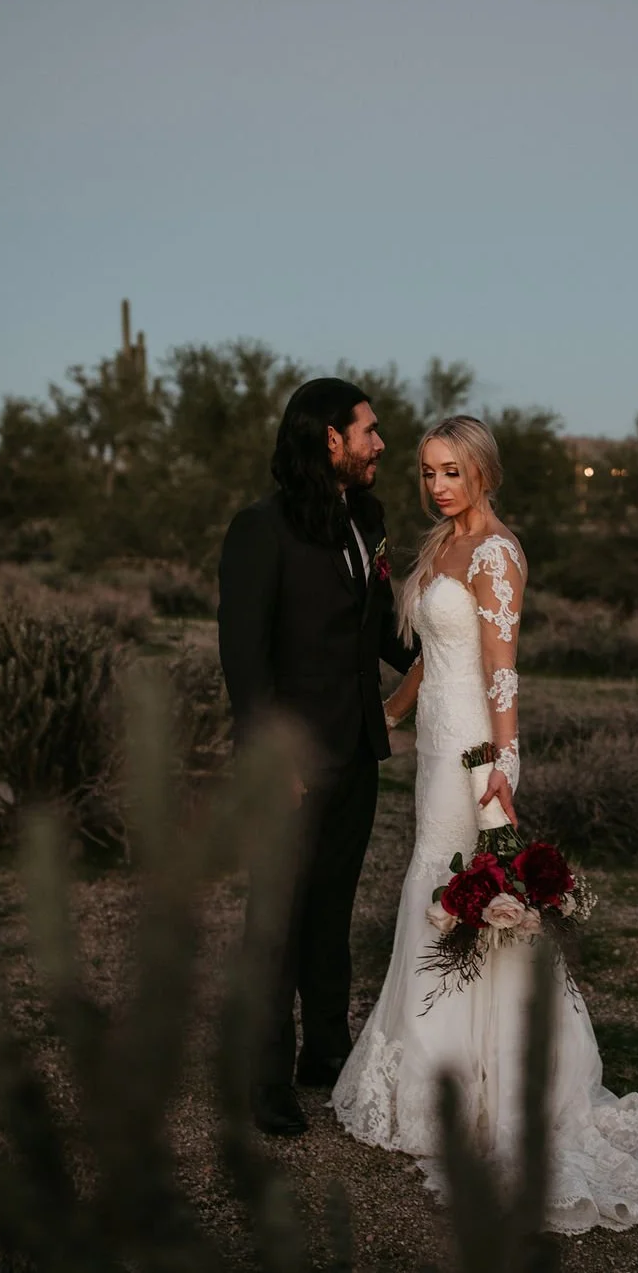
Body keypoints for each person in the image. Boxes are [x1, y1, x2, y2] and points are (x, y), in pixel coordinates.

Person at [330, 415, 638, 1233]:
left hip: (475, 751)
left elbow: (501, 669)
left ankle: (487, 1083)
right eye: (428, 471)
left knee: (471, 892)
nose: (437, 486)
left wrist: (504, 766)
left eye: (453, 471)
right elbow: (431, 655)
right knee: (433, 877)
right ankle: (429, 1070)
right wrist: (381, 719)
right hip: (432, 745)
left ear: (485, 473)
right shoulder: (438, 547)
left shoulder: (498, 553)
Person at [217, 377, 419, 1137]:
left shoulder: (368, 520)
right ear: (329, 439)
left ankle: (325, 1056)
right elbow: (244, 659)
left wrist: (450, 651)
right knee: (274, 921)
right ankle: (264, 1083)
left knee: (330, 915)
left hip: (358, 754)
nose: (380, 444)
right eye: (368, 431)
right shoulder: (258, 529)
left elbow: (382, 633)